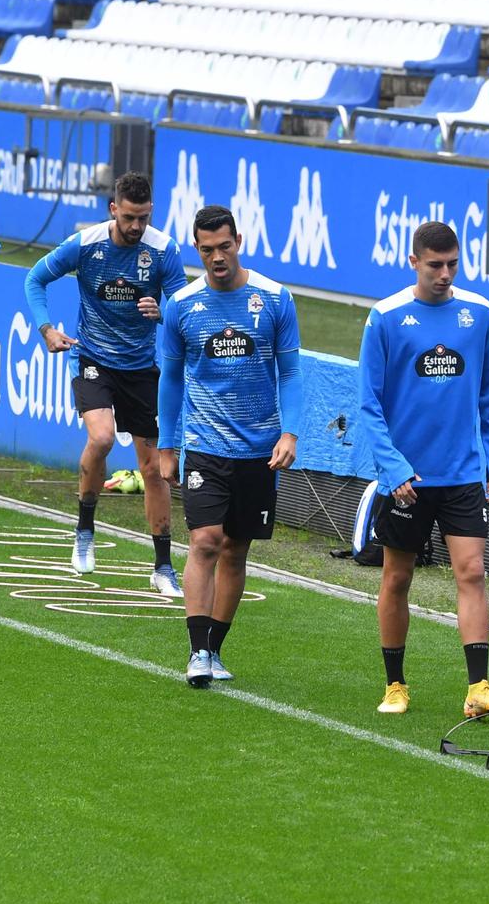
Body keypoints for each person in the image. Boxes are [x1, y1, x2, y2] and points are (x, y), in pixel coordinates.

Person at [356, 220, 489, 720]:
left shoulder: (480, 314)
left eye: (452, 265)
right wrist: (393, 468)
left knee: (472, 571)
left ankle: (479, 687)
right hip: (408, 480)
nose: (444, 274)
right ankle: (396, 684)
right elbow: (369, 406)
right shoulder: (385, 318)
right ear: (414, 262)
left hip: (464, 474)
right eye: (434, 265)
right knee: (397, 578)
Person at [156, 206, 302, 687]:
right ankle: (196, 653)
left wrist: (290, 432)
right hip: (205, 445)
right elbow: (172, 380)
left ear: (238, 240)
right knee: (205, 542)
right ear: (195, 248)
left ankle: (215, 649)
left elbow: (291, 373)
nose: (217, 258)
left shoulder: (274, 299)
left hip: (260, 448)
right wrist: (166, 444)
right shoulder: (181, 306)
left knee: (237, 551)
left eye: (224, 247)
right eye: (206, 250)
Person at [26, 172, 189, 594]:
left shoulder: (163, 250)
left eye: (144, 218)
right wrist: (46, 329)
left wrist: (164, 313)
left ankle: (163, 567)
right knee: (100, 439)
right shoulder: (86, 244)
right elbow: (35, 279)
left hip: (143, 367)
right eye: (130, 217)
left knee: (154, 468)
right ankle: (84, 531)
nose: (137, 227)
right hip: (93, 357)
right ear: (114, 209)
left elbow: (184, 310)